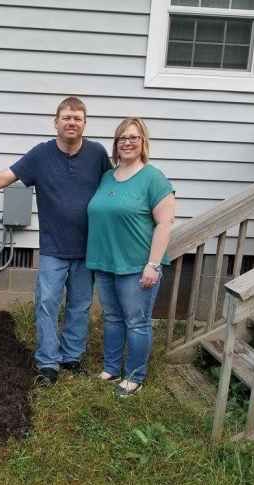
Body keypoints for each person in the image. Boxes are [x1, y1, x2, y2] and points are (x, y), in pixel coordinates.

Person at [0, 97, 110, 386]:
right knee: (47, 304)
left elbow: (116, 185)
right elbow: (4, 177)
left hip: (89, 248)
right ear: (56, 122)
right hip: (53, 248)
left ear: (84, 124)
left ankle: (71, 358)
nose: (72, 122)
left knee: (80, 304)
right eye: (67, 117)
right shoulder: (41, 155)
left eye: (77, 118)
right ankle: (48, 363)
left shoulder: (97, 154)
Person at [86, 117, 175, 398]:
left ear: (143, 142)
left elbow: (164, 223)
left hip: (137, 265)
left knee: (136, 321)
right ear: (116, 144)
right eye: (122, 137)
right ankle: (112, 368)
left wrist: (153, 264)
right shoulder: (106, 176)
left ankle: (135, 376)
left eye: (133, 137)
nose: (127, 142)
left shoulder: (153, 178)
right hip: (105, 262)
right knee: (112, 318)